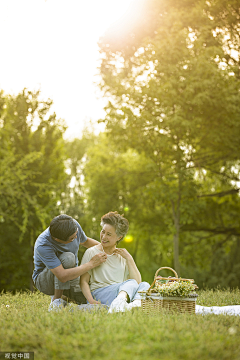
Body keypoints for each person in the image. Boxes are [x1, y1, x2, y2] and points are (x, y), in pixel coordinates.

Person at [32, 214, 108, 311]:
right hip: (46, 281)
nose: (76, 237)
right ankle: (56, 300)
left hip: (71, 275)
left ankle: (65, 297)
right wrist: (91, 264)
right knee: (68, 258)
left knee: (92, 296)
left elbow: (86, 242)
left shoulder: (72, 226)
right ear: (57, 240)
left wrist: (109, 250)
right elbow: (62, 276)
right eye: (72, 238)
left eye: (76, 234)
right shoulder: (43, 245)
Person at [80, 211, 150, 313]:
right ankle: (120, 303)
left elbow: (137, 283)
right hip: (99, 294)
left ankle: (133, 305)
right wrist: (91, 301)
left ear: (119, 237)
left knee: (145, 285)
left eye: (109, 234)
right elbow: (83, 281)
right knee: (131, 283)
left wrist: (129, 258)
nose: (104, 237)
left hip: (120, 293)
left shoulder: (123, 256)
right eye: (103, 232)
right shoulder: (92, 252)